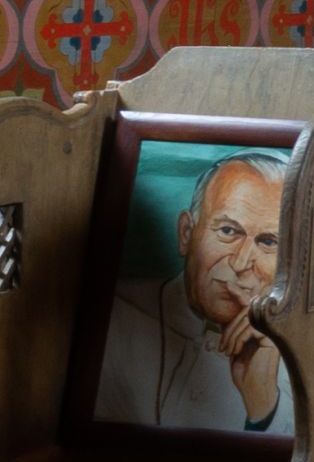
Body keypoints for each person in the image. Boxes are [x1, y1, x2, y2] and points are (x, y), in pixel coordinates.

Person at [95, 152, 287, 434]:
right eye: (228, 230)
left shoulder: (306, 357)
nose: (241, 263)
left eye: (268, 242)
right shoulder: (111, 315)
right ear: (186, 233)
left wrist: (263, 404)